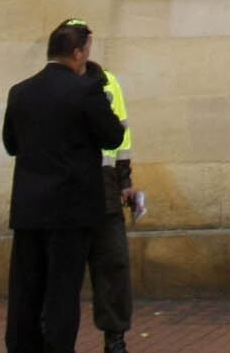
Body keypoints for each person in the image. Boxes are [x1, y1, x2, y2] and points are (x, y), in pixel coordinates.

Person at [3, 19, 125, 353]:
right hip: (71, 210)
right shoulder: (85, 90)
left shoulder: (20, 91)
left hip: (28, 209)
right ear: (76, 53)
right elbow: (113, 135)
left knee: (25, 290)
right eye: (86, 51)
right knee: (62, 291)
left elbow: (11, 144)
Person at [84, 46, 138, 353]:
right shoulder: (66, 89)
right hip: (74, 193)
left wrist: (125, 180)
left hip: (106, 191)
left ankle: (115, 338)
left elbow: (123, 136)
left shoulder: (106, 82)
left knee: (114, 267)